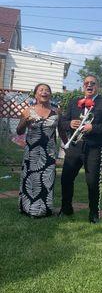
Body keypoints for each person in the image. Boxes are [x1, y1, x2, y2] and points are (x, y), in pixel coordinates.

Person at [59, 75, 102, 223]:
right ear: (83, 86)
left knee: (92, 182)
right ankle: (66, 209)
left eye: (93, 83)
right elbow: (63, 121)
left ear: (98, 86)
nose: (89, 85)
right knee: (66, 178)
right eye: (86, 83)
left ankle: (93, 213)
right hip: (75, 147)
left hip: (94, 148)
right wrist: (69, 123)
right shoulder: (74, 102)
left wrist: (93, 127)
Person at [17, 83, 65, 218]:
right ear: (36, 94)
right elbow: (19, 131)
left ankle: (45, 210)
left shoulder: (57, 111)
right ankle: (28, 208)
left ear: (50, 94)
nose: (44, 92)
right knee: (30, 179)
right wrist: (25, 121)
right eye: (41, 90)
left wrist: (68, 146)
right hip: (31, 153)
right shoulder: (28, 111)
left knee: (47, 180)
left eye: (47, 90)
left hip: (49, 153)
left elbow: (61, 132)